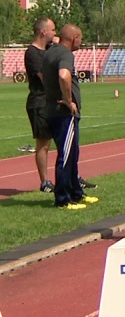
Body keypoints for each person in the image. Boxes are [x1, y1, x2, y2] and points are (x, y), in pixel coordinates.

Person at [42, 25, 97, 210]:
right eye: (80, 38)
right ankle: (63, 199)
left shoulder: (50, 53)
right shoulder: (65, 55)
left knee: (72, 154)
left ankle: (76, 193)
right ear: (73, 38)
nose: (82, 41)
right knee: (66, 155)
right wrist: (68, 100)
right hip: (63, 113)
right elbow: (64, 75)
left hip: (52, 110)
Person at [24, 18, 56, 192]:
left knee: (58, 140)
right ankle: (44, 182)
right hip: (39, 102)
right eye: (52, 30)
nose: (54, 33)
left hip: (50, 102)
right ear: (44, 32)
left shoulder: (50, 49)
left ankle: (69, 177)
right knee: (43, 144)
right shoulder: (32, 53)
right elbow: (45, 77)